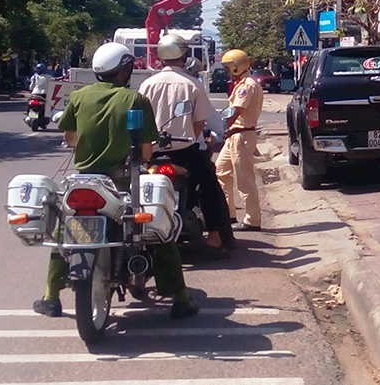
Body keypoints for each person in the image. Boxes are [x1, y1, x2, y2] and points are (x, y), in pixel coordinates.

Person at [33, 42, 199, 320]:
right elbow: (146, 151)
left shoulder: (79, 96)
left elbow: (70, 138)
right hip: (122, 183)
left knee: (65, 233)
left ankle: (51, 297)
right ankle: (180, 298)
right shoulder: (135, 100)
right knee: (162, 229)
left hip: (84, 181)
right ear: (126, 69)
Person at [139, 34, 232, 256]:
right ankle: (215, 237)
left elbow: (141, 119)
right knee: (209, 185)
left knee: (137, 186)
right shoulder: (192, 84)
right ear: (184, 55)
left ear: (160, 57)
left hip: (153, 151)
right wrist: (191, 138)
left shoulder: (147, 84)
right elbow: (200, 122)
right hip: (185, 151)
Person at [216, 49, 264, 231]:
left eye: (228, 67)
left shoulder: (247, 86)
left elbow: (235, 112)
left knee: (244, 180)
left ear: (237, 67)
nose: (226, 71)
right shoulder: (241, 83)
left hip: (241, 136)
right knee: (220, 172)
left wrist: (218, 128)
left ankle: (252, 220)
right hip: (234, 136)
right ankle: (228, 215)